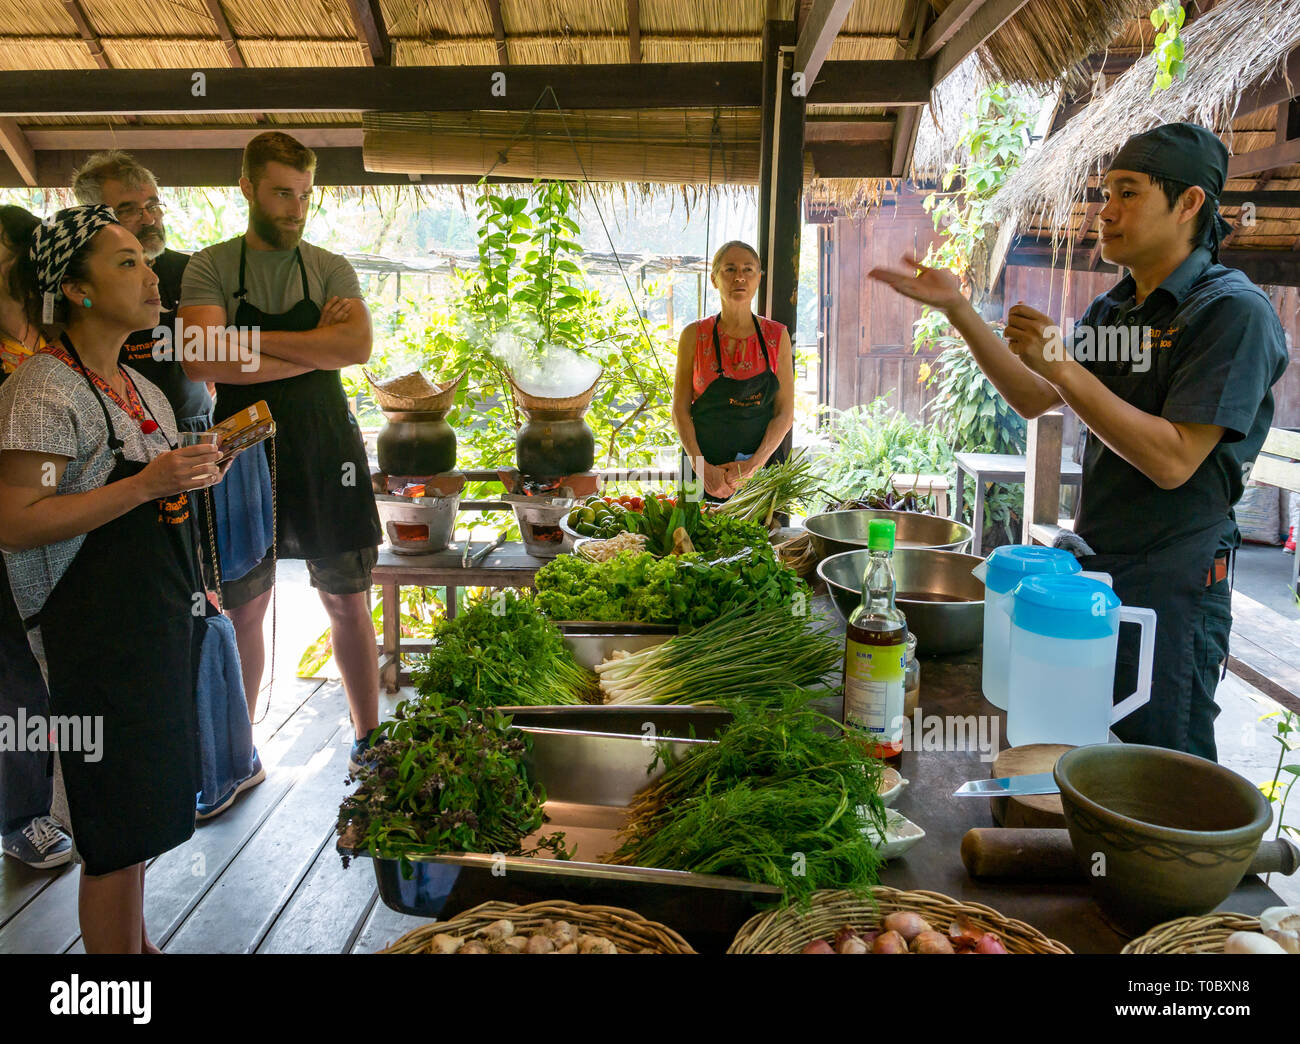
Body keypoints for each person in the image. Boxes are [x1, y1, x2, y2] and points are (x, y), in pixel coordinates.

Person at [869, 123, 1288, 760]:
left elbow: (1175, 460)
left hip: (1175, 584)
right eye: (1105, 193)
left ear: (1189, 204)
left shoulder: (1231, 312)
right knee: (1081, 748)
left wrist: (1063, 364)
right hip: (1096, 572)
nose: (1106, 211)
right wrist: (958, 309)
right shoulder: (1114, 311)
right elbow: (1035, 395)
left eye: (1128, 193)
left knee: (1157, 763)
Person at [0, 204, 224, 952]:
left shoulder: (144, 389)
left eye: (144, 258)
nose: (150, 273)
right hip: (87, 642)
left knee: (143, 816)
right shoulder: (41, 391)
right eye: (124, 262)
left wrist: (189, 484)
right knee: (111, 829)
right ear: (75, 290)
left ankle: (138, 950)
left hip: (153, 626)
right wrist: (142, 484)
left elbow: (159, 500)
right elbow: (16, 519)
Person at [178, 131, 382, 770]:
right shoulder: (209, 266)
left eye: (304, 195)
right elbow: (200, 357)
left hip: (327, 447)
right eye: (282, 194)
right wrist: (312, 341)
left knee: (346, 599)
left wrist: (253, 348)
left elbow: (356, 349)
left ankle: (368, 738)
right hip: (241, 449)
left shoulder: (329, 265)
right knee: (245, 605)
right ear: (247, 188)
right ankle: (240, 757)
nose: (295, 208)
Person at [0, 205, 71, 869]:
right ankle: (22, 817)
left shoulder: (53, 338)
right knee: (14, 673)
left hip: (54, 525)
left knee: (48, 669)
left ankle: (49, 801)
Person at [72, 150, 212, 433]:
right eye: (128, 210)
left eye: (152, 205)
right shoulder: (81, 282)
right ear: (92, 219)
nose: (149, 219)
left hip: (192, 428)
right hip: (116, 430)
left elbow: (220, 354)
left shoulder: (194, 270)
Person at [671, 241, 795, 500]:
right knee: (691, 537)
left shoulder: (776, 336)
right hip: (700, 469)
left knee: (760, 538)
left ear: (758, 278)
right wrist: (700, 466)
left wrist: (752, 467)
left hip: (759, 472)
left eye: (748, 269)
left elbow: (784, 414)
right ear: (715, 279)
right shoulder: (694, 335)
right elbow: (680, 411)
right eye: (729, 269)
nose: (739, 277)